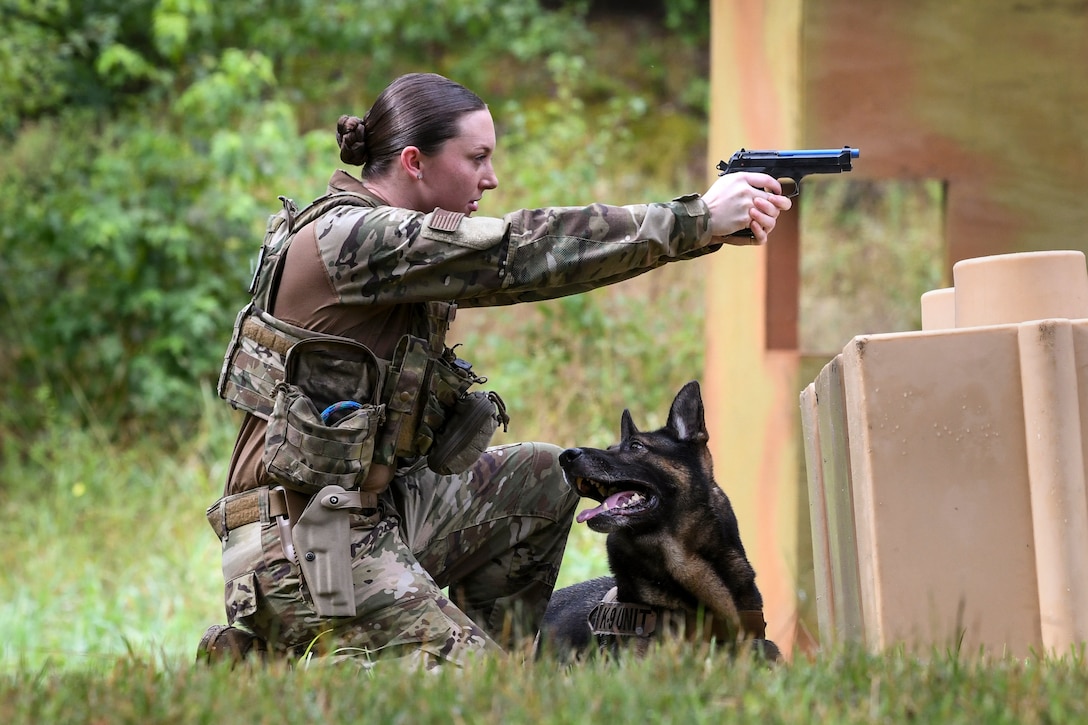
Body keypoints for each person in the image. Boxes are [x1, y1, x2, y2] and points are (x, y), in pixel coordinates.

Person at [197, 72, 791, 669]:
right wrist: (695, 218)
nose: (491, 177)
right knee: (484, 697)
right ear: (413, 162)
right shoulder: (354, 237)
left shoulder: (395, 248)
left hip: (374, 517)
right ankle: (308, 660)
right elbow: (518, 252)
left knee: (543, 476)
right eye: (476, 157)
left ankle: (496, 662)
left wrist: (702, 232)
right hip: (304, 546)